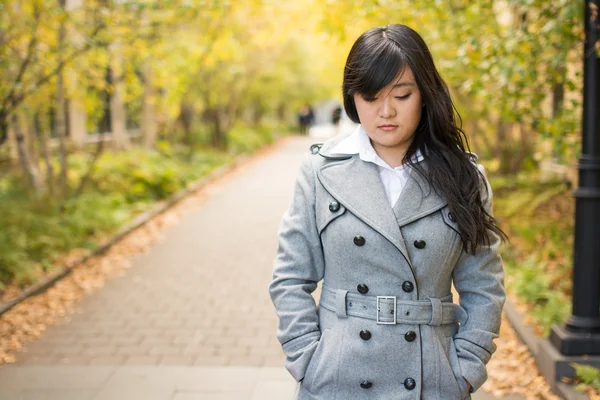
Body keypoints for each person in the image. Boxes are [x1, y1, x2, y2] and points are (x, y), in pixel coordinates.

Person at [269, 24, 506, 400]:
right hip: (338, 378)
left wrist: (466, 367)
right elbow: (289, 278)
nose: (386, 111)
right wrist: (307, 359)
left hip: (433, 381)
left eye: (402, 94)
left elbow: (484, 286)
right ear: (352, 99)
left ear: (425, 95)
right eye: (370, 96)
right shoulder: (321, 171)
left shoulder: (463, 177)